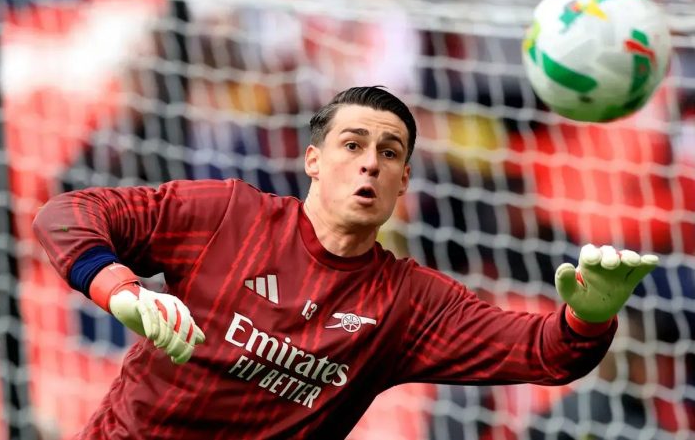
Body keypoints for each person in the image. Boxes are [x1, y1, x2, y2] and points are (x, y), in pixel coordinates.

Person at [32, 86, 658, 439]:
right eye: (353, 144)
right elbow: (64, 214)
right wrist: (120, 290)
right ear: (313, 160)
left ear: (403, 181)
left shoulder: (410, 304)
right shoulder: (228, 214)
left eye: (389, 153)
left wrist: (591, 314)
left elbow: (546, 353)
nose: (369, 163)